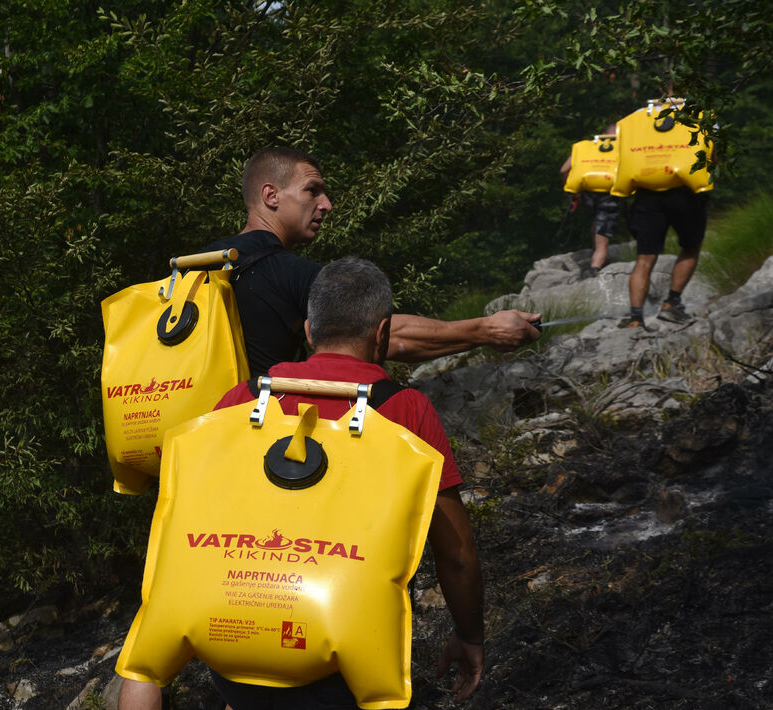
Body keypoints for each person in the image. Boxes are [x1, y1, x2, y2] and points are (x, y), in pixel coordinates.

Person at [119, 257, 485, 709]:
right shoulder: (405, 411)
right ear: (383, 333)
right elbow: (456, 553)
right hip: (341, 660)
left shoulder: (243, 399)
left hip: (230, 642)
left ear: (309, 331)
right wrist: (470, 635)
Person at [198, 146, 541, 376]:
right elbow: (378, 335)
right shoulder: (288, 273)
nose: (327, 205)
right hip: (249, 436)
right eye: (312, 190)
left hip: (191, 438)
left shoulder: (193, 268)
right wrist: (486, 329)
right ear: (271, 195)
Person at [617, 185, 710, 328]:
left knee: (644, 259)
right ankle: (671, 303)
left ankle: (635, 318)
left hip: (648, 195)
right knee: (691, 248)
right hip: (686, 194)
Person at [559, 124, 623, 279]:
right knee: (603, 231)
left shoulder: (586, 147)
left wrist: (573, 191)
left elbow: (563, 170)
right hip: (611, 193)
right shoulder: (624, 147)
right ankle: (595, 267)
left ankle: (597, 254)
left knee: (597, 222)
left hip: (588, 193)